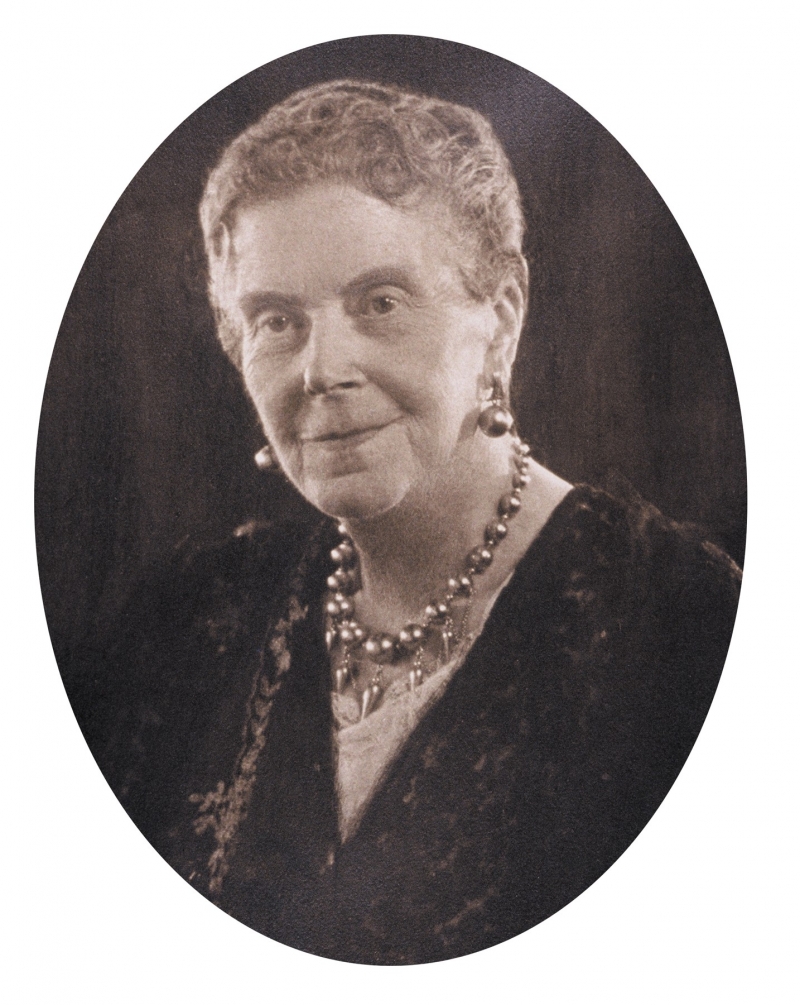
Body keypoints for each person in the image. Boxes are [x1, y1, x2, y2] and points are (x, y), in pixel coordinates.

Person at [71, 80, 742, 964]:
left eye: (380, 303)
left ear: (501, 317)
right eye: (276, 320)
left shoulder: (688, 628)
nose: (323, 368)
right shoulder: (189, 622)